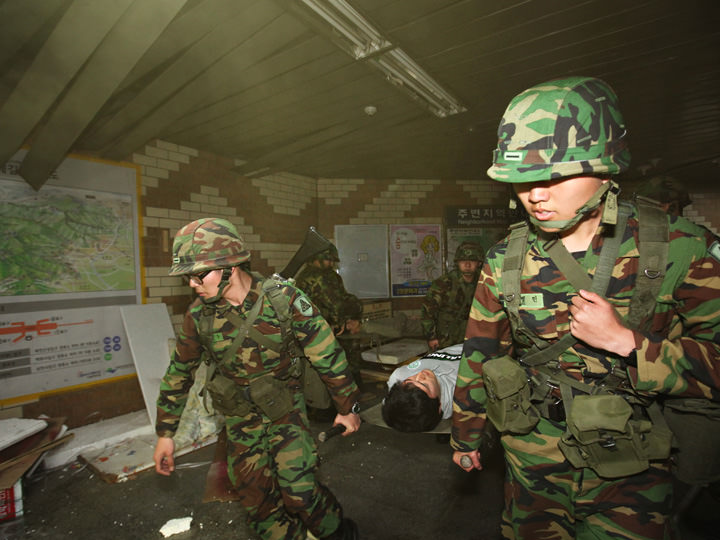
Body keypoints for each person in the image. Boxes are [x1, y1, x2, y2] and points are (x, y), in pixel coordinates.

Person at [450, 76, 720, 540]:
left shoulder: (682, 249)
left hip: (632, 463)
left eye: (554, 177)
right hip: (531, 456)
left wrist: (628, 343)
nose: (535, 195)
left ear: (606, 169)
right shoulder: (504, 260)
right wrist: (467, 433)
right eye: (521, 181)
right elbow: (481, 351)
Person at [152, 217, 362, 540]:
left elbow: (326, 352)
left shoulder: (283, 300)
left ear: (229, 267)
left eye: (198, 275)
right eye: (188, 277)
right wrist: (166, 433)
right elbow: (180, 371)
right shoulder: (200, 317)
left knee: (300, 491)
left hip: (285, 411)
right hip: (240, 420)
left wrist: (347, 407)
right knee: (256, 502)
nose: (192, 284)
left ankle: (337, 532)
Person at [381, 344, 461, 432]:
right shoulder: (460, 395)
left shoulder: (399, 377)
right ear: (439, 406)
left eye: (409, 380)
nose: (420, 375)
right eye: (425, 385)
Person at [420, 241, 483, 351]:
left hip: (474, 337)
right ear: (457, 262)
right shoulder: (444, 283)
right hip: (446, 339)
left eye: (472, 260)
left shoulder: (484, 282)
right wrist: (432, 337)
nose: (467, 264)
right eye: (463, 260)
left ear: (479, 263)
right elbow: (428, 312)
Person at [295, 243, 363, 336]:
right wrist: (343, 321)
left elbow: (342, 297)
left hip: (329, 323)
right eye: (328, 260)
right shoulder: (315, 277)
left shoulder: (331, 276)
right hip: (315, 327)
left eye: (332, 261)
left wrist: (352, 316)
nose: (331, 264)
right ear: (316, 259)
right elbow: (333, 303)